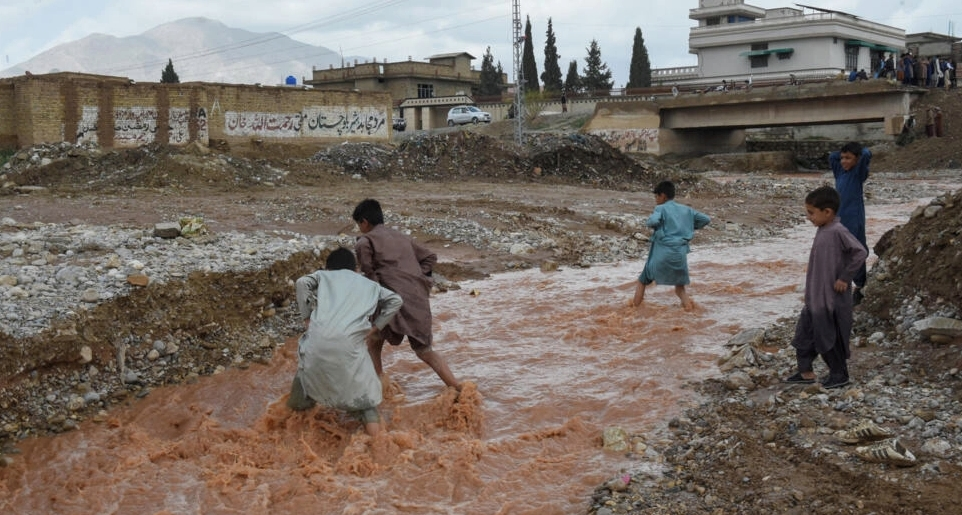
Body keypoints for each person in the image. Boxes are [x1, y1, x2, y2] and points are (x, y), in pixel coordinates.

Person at [287, 247, 403, 436]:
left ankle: (290, 429)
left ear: (329, 267)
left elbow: (301, 283)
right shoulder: (369, 285)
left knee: (305, 373)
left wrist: (307, 317)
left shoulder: (323, 276)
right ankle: (378, 444)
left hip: (317, 339)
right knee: (365, 398)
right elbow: (395, 300)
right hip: (351, 343)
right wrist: (377, 327)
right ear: (354, 268)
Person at [352, 198, 461, 389]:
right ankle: (458, 388)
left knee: (374, 340)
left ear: (364, 222)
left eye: (358, 224)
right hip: (418, 300)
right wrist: (420, 279)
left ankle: (379, 386)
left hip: (390, 300)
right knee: (425, 351)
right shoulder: (402, 237)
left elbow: (370, 277)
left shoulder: (365, 242)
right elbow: (430, 257)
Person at [782, 186, 867, 389]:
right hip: (814, 297)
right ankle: (805, 372)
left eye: (811, 213)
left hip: (830, 299)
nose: (808, 217)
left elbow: (860, 252)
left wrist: (845, 278)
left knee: (829, 337)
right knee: (804, 336)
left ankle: (839, 375)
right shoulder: (824, 229)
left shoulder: (838, 231)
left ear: (827, 212)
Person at [631, 180, 711, 310]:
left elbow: (652, 221)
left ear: (662, 195)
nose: (656, 200)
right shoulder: (687, 210)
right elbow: (706, 219)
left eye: (656, 197)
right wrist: (689, 227)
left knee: (642, 281)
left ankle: (633, 311)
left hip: (662, 253)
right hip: (679, 254)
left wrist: (655, 224)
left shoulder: (660, 208)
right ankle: (690, 311)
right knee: (680, 289)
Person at [829, 141, 871, 304]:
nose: (844, 161)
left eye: (848, 158)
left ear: (857, 160)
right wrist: (844, 151)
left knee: (857, 251)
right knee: (839, 254)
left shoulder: (858, 173)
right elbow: (833, 157)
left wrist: (859, 151)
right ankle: (842, 287)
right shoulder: (840, 172)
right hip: (839, 220)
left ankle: (860, 285)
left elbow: (867, 154)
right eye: (842, 158)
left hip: (854, 219)